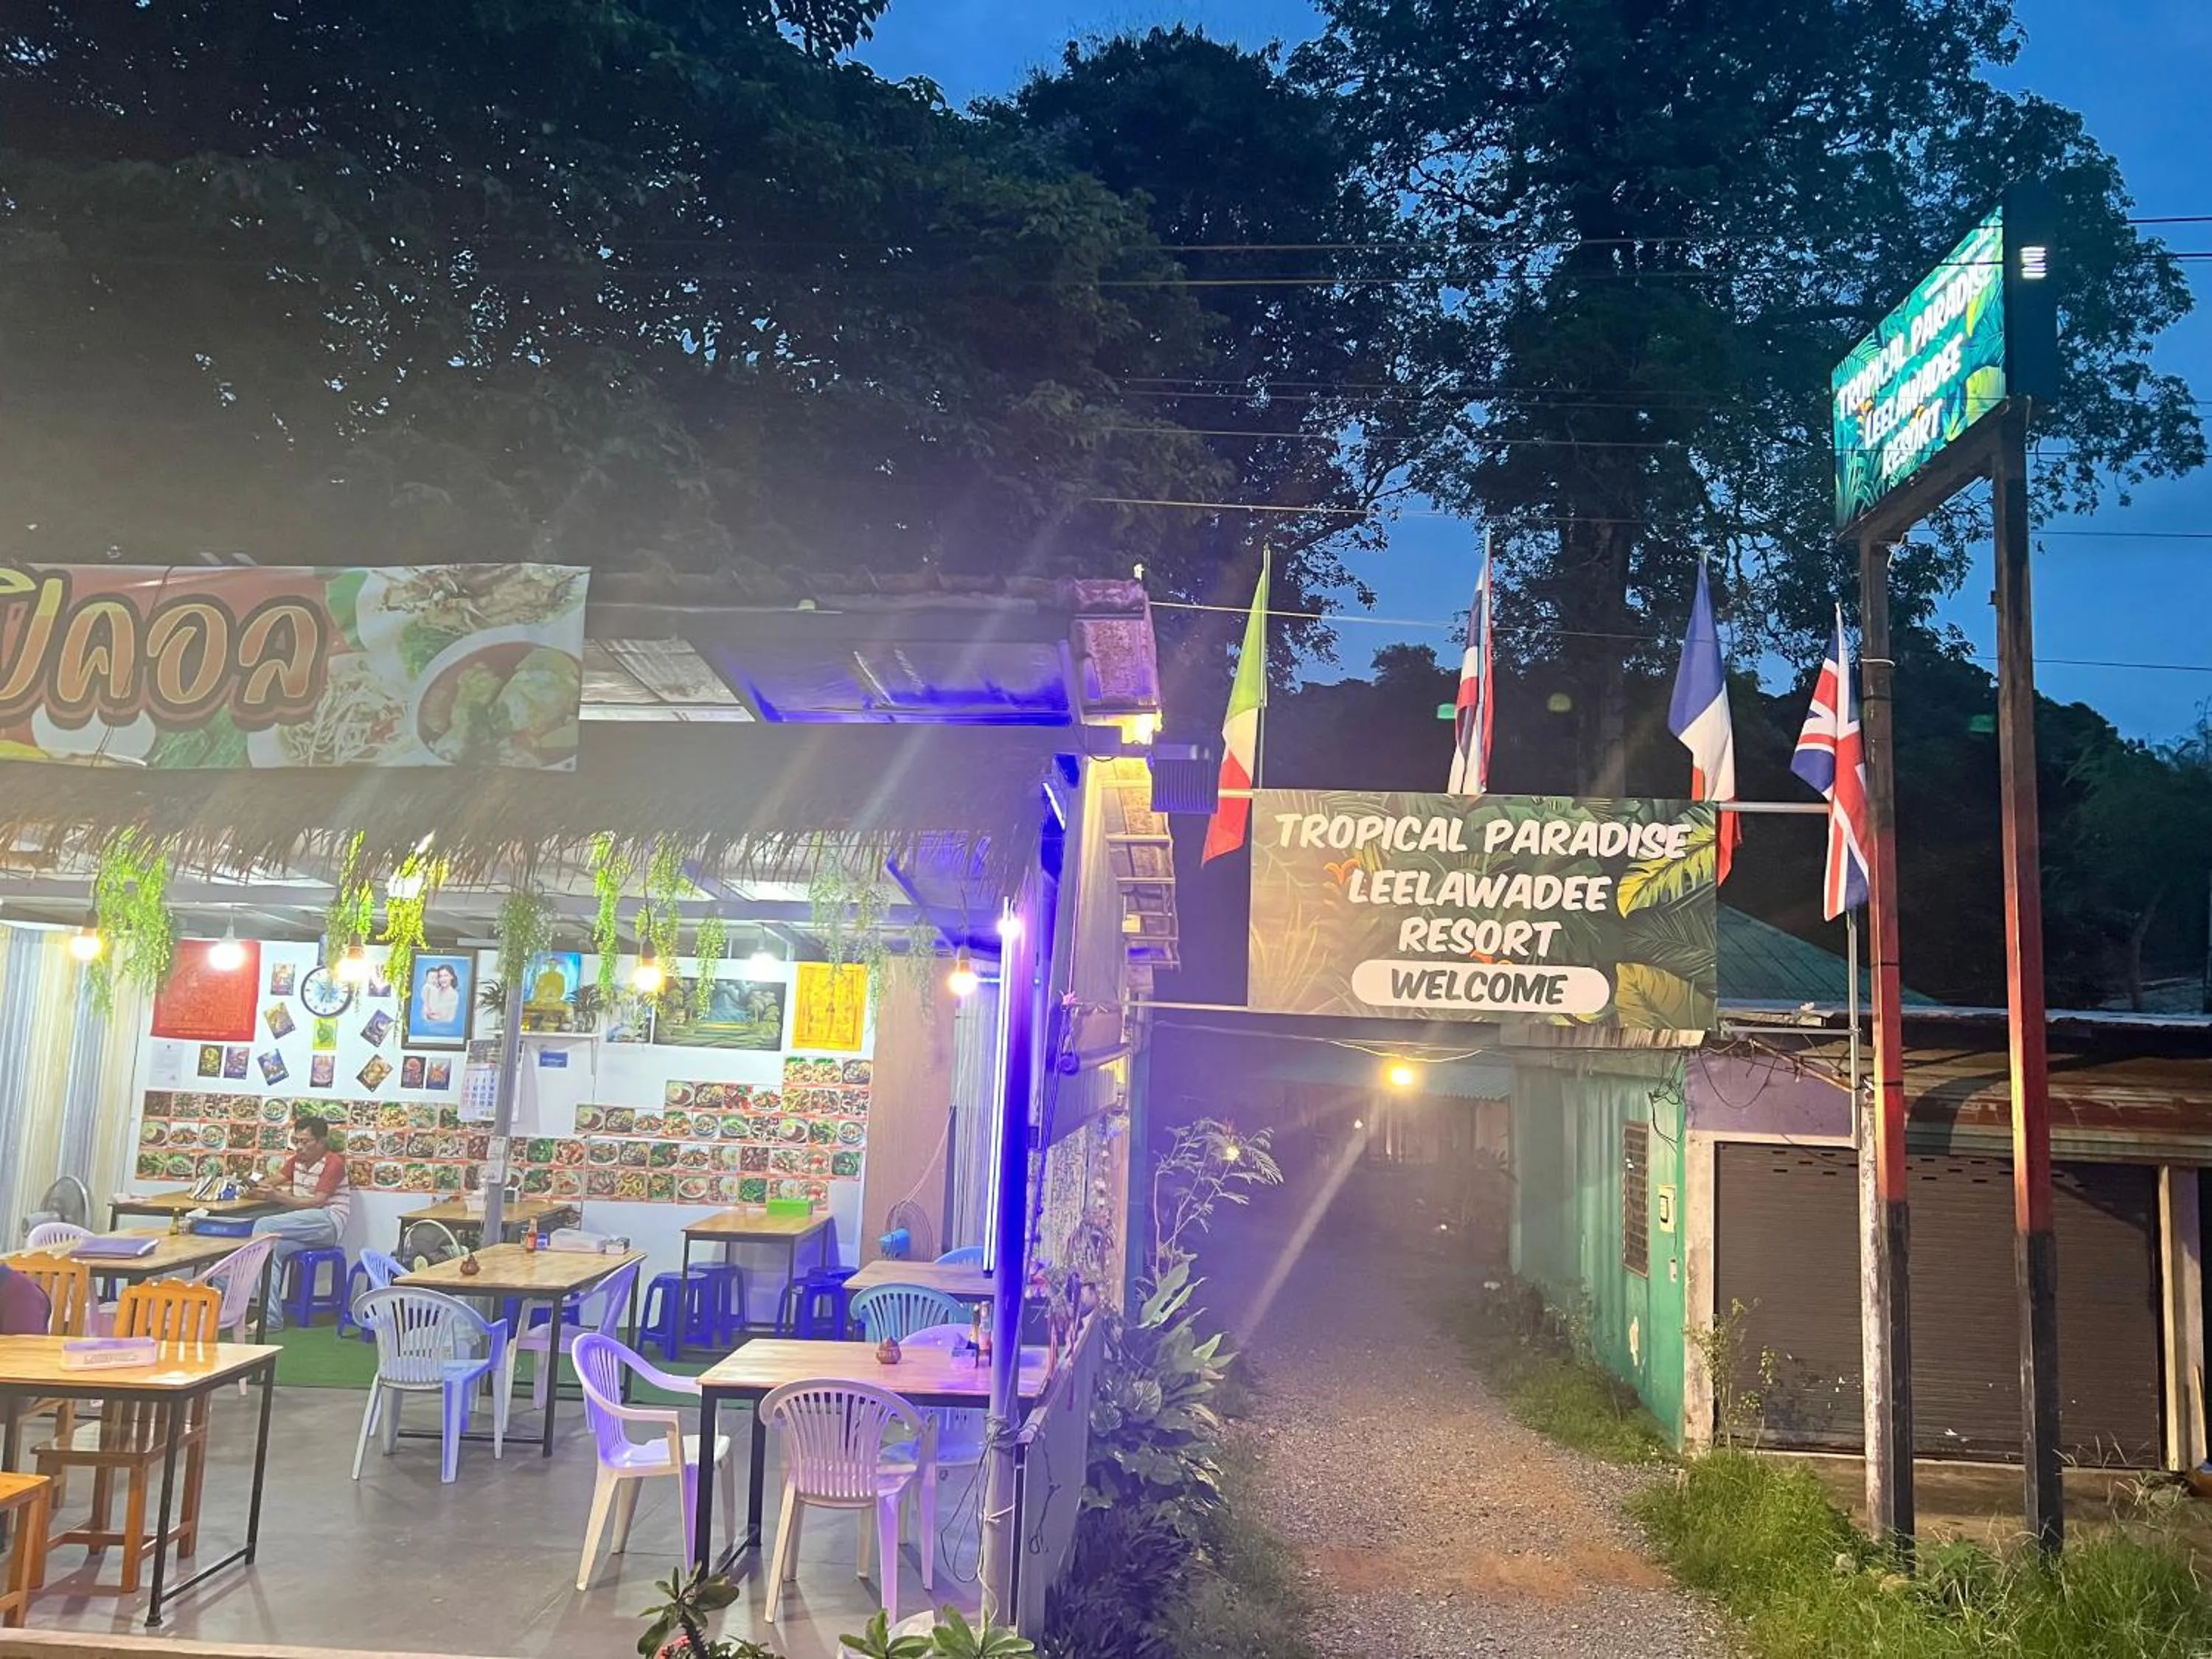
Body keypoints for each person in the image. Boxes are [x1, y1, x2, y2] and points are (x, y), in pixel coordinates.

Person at [246, 1114, 352, 1329]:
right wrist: (252, 1187)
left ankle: (242, 1298)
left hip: (327, 1223)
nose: (300, 1147)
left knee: (263, 1226)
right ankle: (271, 1318)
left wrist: (277, 1197)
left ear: (321, 1142)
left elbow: (317, 1202)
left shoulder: (333, 1163)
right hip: (308, 1227)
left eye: (305, 1142)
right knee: (267, 1253)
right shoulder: (296, 1161)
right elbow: (273, 1181)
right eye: (296, 1141)